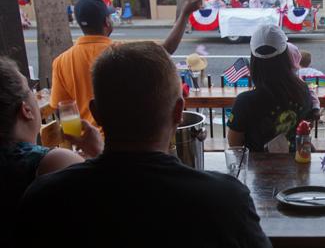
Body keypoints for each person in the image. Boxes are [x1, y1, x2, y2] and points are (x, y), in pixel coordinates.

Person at [15, 42, 271, 247]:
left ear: (96, 112)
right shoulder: (225, 200)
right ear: (178, 111)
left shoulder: (45, 198)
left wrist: (99, 153)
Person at [50, 0, 201, 128]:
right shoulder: (121, 53)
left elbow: (60, 109)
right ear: (106, 22)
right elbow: (165, 50)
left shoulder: (60, 62)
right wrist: (185, 14)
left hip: (86, 144)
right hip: (120, 143)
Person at [0, 57, 103, 246]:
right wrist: (98, 153)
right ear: (27, 110)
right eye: (30, 91)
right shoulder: (50, 163)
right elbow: (113, 205)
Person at [227, 25, 313, 152]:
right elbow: (307, 125)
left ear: (254, 60)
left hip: (256, 170)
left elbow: (234, 143)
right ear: (286, 56)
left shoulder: (244, 101)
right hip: (296, 165)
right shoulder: (303, 90)